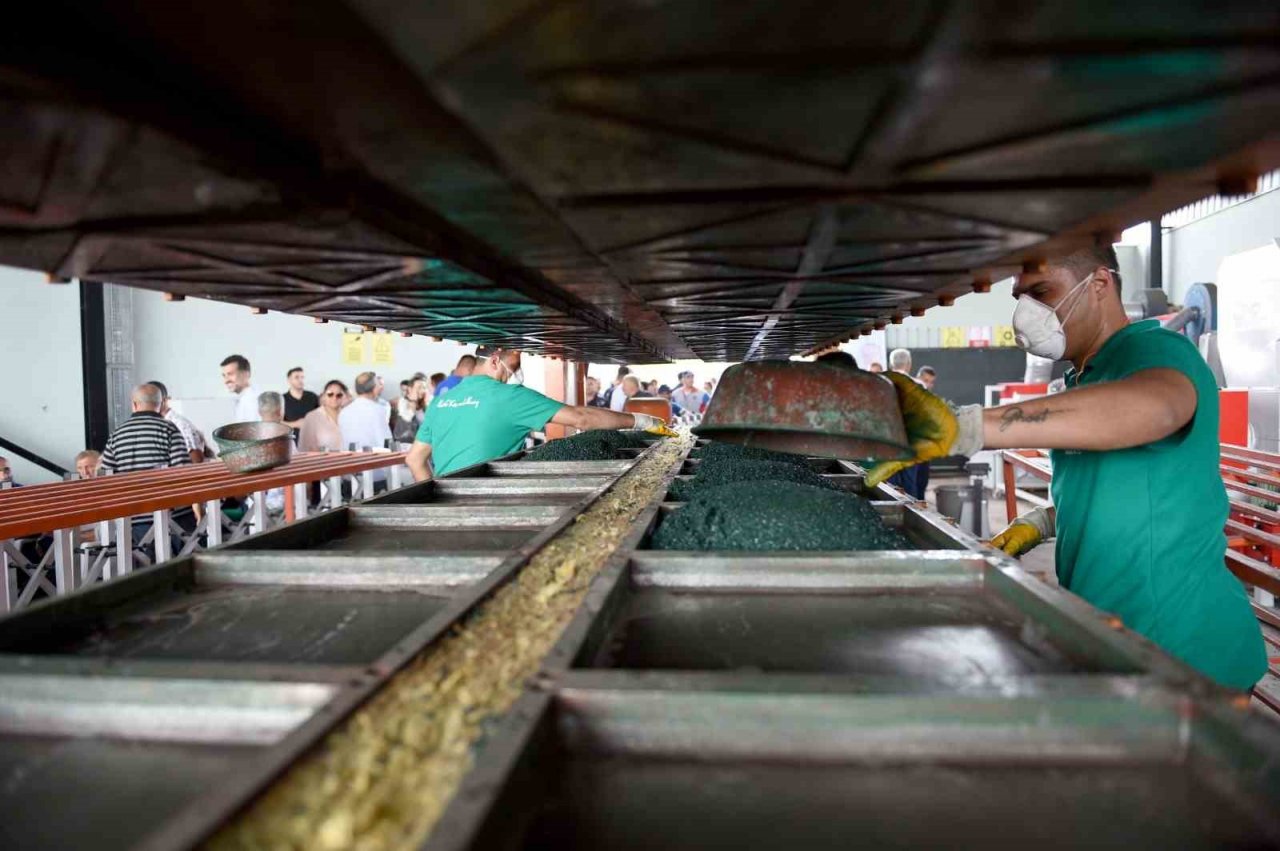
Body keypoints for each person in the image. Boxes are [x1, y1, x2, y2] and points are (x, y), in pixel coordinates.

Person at [865, 244, 1266, 691]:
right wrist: (1044, 521)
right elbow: (1129, 487)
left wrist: (966, 426)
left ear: (1098, 284)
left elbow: (1153, 407)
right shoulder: (1082, 380)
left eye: (1042, 291)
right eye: (1021, 297)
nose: (1027, 312)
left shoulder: (1157, 352)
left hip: (1185, 652)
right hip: (1113, 636)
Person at [407, 347, 670, 481]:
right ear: (495, 360)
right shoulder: (510, 396)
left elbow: (415, 460)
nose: (517, 373)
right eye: (515, 366)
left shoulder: (443, 401)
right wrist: (641, 420)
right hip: (493, 502)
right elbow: (582, 418)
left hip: (448, 506)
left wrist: (437, 494)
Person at [99, 384, 194, 558]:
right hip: (173, 519)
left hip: (134, 519)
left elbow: (105, 478)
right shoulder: (169, 429)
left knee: (145, 570)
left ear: (134, 404)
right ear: (161, 403)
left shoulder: (117, 435)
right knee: (180, 569)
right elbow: (183, 473)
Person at [884, 349, 926, 500]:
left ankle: (891, 513)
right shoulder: (919, 385)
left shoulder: (882, 382)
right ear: (909, 364)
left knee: (890, 484)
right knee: (910, 483)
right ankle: (912, 518)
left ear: (891, 363)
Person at [148, 380, 208, 463]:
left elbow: (197, 459)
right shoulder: (157, 424)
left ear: (165, 400)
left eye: (154, 399)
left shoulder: (180, 424)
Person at [340, 371, 393, 452]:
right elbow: (386, 443)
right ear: (374, 389)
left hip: (349, 460)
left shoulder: (343, 412)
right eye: (378, 385)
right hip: (372, 460)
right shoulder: (378, 410)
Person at [299, 380, 348, 452]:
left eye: (339, 395)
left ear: (344, 397)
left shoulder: (348, 416)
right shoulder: (312, 417)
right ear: (323, 396)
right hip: (322, 461)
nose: (334, 398)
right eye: (330, 394)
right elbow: (304, 448)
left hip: (348, 460)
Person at [220, 354, 259, 424]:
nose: (226, 381)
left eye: (230, 374)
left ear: (246, 374)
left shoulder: (252, 401)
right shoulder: (244, 399)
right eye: (224, 376)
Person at [392, 375, 428, 444]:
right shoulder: (403, 402)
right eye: (419, 387)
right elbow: (406, 422)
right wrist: (413, 400)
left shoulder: (426, 404)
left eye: (424, 387)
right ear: (410, 389)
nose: (422, 390)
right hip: (408, 445)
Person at [282, 367, 319, 431]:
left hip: (312, 438)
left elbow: (322, 417)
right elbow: (275, 423)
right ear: (289, 380)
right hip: (291, 439)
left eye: (302, 377)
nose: (300, 380)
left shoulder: (313, 397)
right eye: (297, 377)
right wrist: (295, 424)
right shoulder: (282, 400)